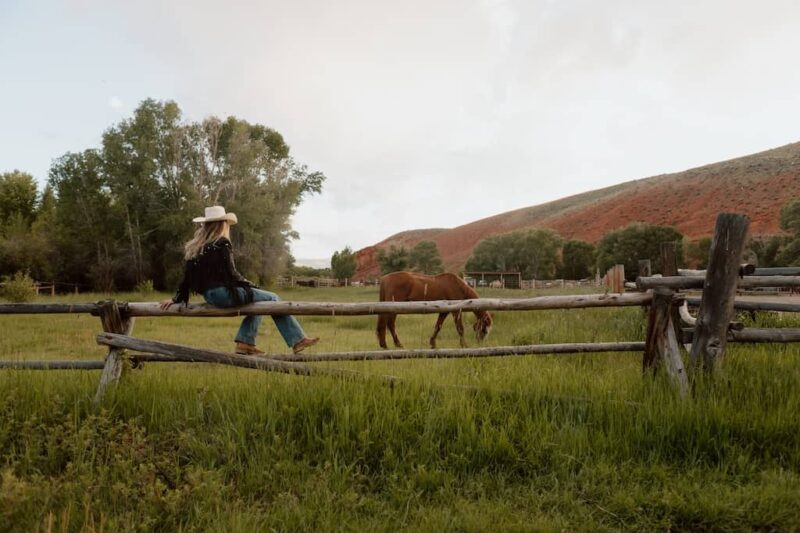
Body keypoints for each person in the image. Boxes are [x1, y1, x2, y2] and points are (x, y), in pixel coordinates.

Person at [159, 206, 320, 355]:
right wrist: (251, 286)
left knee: (258, 303)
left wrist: (175, 299)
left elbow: (186, 279)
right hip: (223, 293)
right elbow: (232, 273)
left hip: (210, 295)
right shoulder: (222, 243)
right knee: (272, 298)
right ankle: (298, 340)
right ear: (222, 224)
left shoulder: (199, 247)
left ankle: (245, 343)